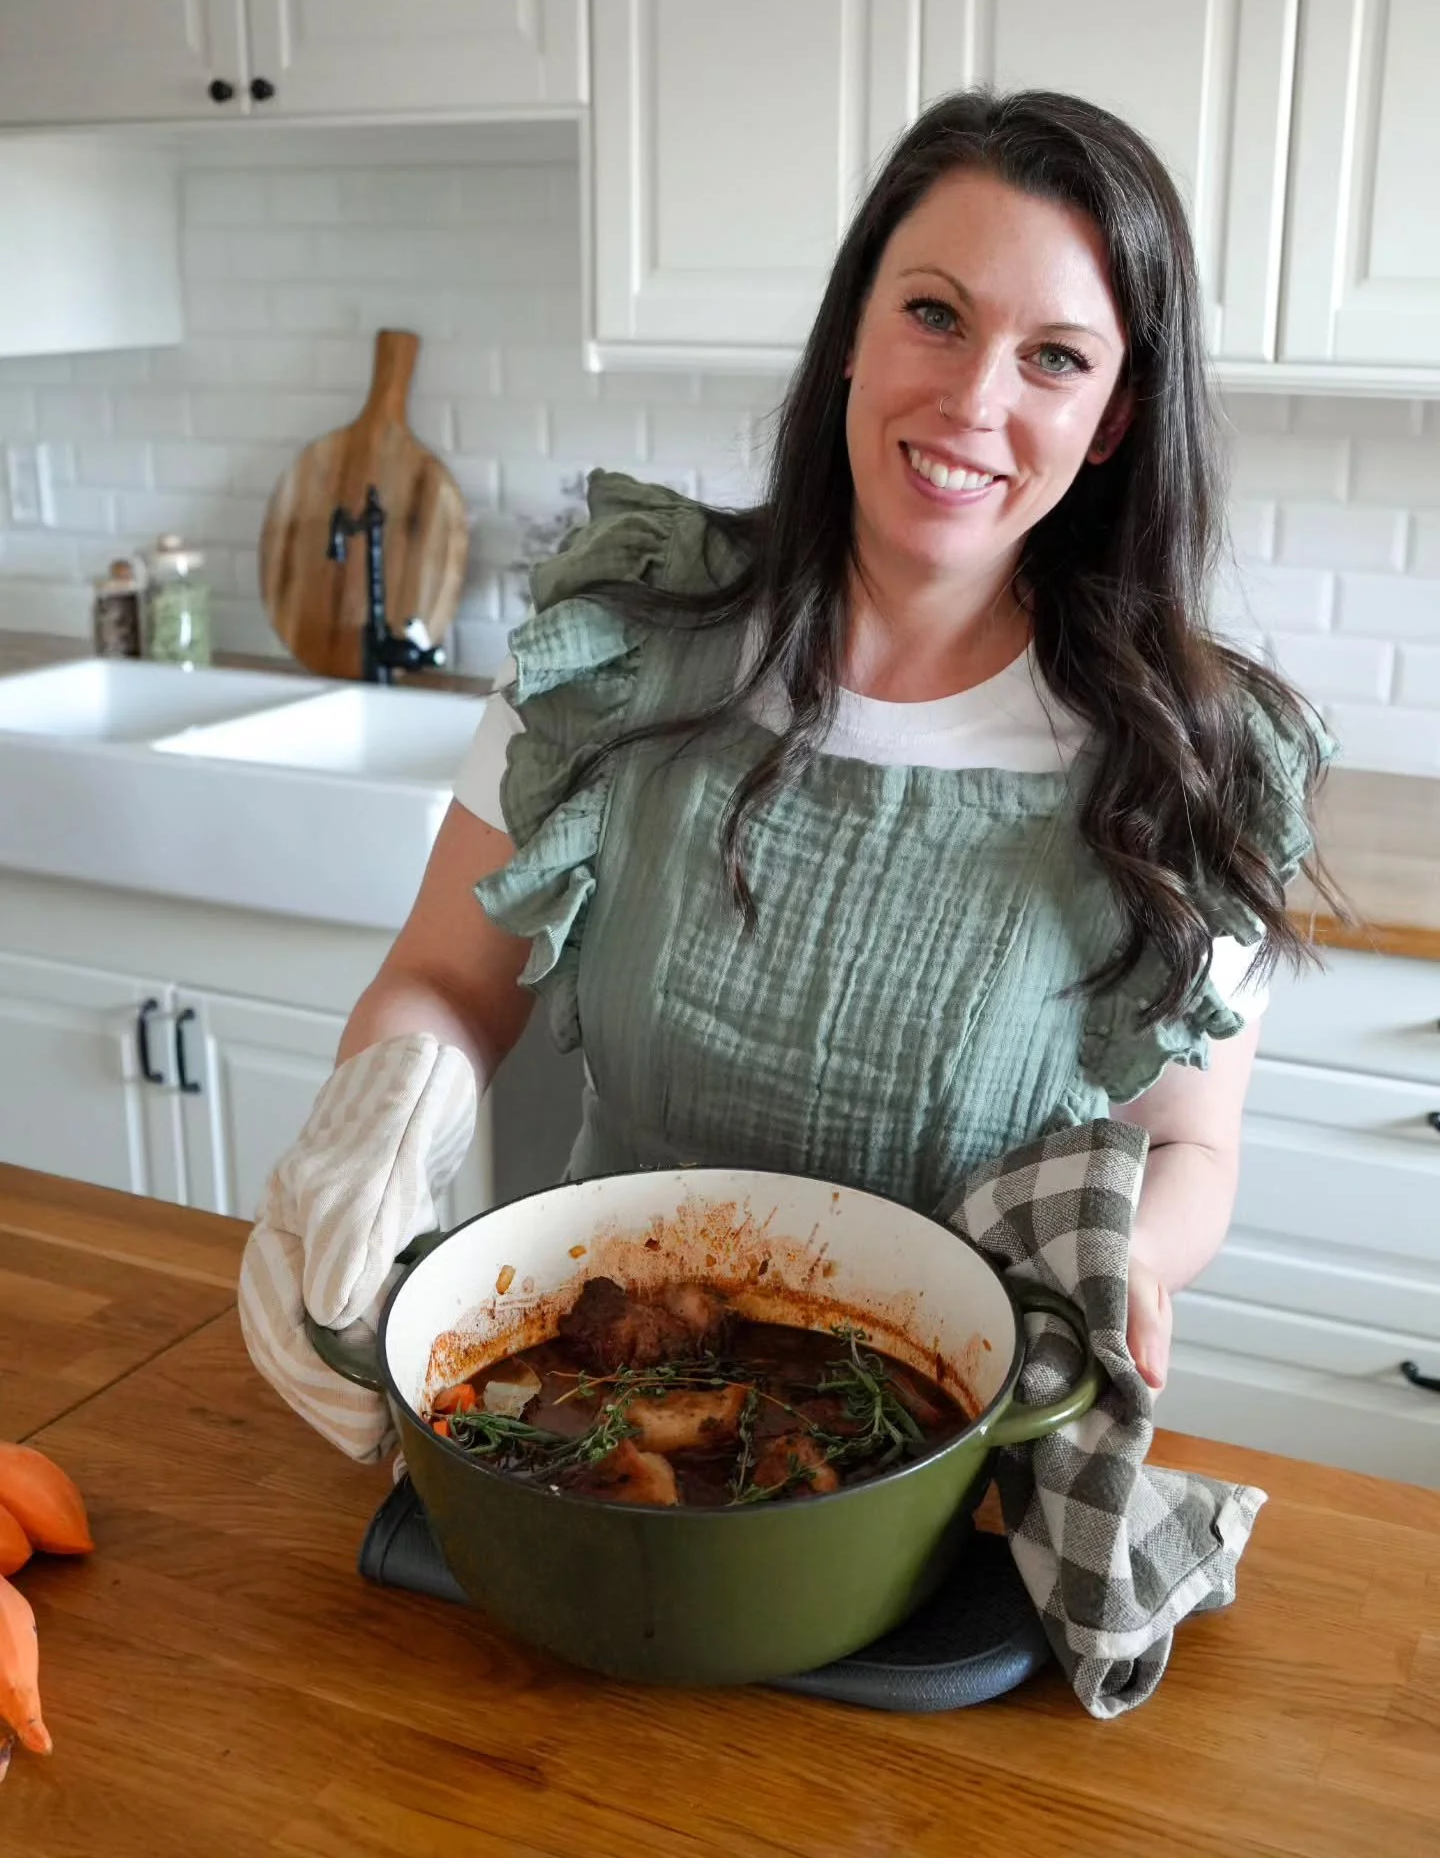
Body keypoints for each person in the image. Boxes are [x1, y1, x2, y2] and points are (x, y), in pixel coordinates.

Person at [239, 88, 1334, 1461]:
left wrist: (1129, 1268)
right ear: (852, 339)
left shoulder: (1191, 765)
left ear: (1114, 419)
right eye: (934, 314)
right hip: (584, 1408)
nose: (974, 401)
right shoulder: (620, 643)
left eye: (1055, 358)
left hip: (944, 1453)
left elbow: (1190, 1149)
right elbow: (451, 981)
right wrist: (382, 1118)